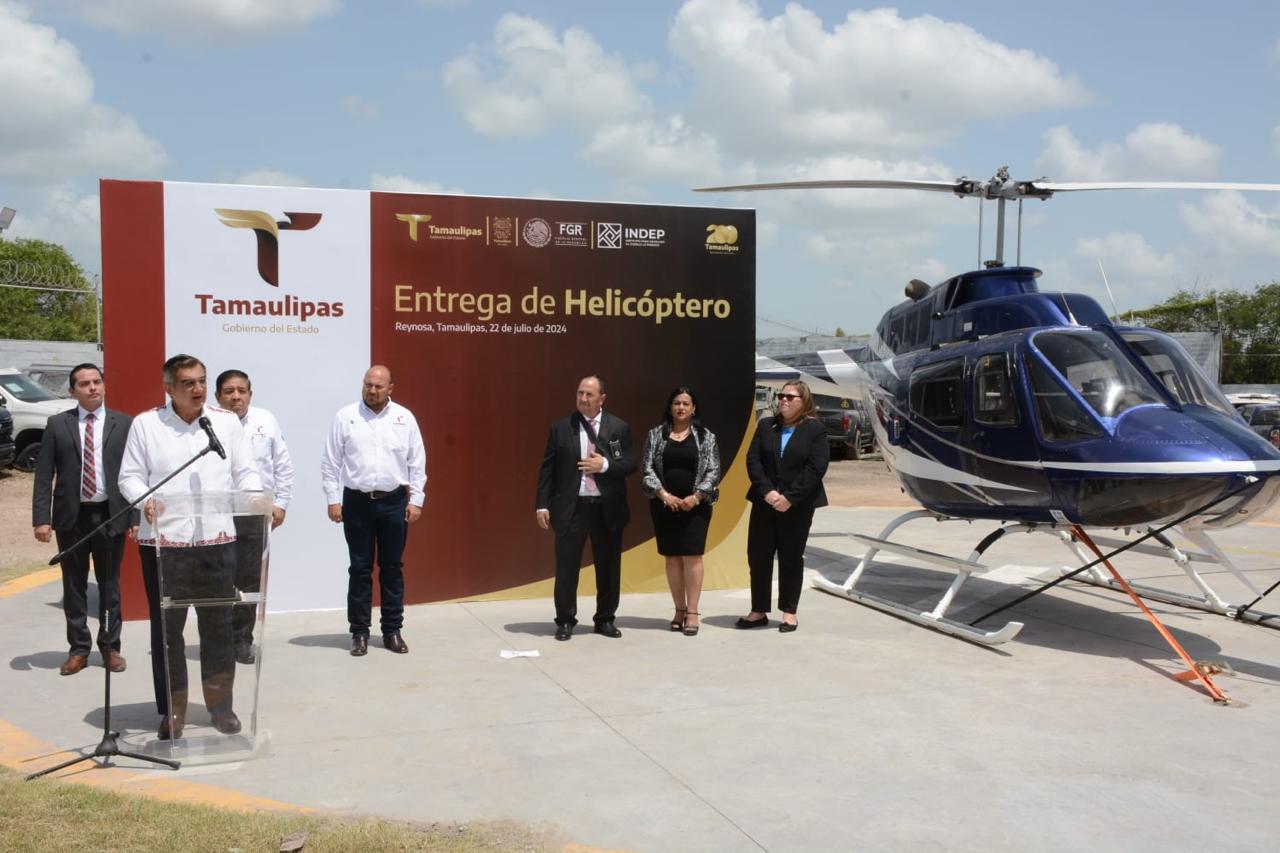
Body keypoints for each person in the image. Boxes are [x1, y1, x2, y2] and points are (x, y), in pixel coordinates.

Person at [119, 354, 262, 739]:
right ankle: (173, 710)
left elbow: (245, 471)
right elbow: (129, 477)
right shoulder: (147, 424)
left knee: (218, 627)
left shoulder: (224, 422)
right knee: (168, 633)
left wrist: (255, 498)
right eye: (188, 383)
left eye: (202, 381)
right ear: (169, 388)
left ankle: (221, 707)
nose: (198, 389)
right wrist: (145, 500)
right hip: (165, 543)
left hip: (217, 540)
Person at [31, 364, 137, 676]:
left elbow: (135, 473)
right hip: (71, 517)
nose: (92, 388)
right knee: (74, 585)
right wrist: (41, 518)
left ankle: (110, 647)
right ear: (72, 391)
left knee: (109, 584)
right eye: (84, 384)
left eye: (96, 382)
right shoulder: (57, 424)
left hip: (110, 514)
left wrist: (133, 515)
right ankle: (78, 649)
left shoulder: (123, 424)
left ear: (103, 385)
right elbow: (43, 475)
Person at [320, 365, 426, 657]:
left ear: (390, 388)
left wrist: (416, 500)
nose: (372, 390)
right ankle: (359, 632)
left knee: (392, 568)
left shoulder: (404, 418)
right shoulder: (346, 417)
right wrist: (333, 499)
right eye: (368, 385)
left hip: (394, 502)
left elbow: (417, 462)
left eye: (379, 386)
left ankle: (392, 630)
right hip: (357, 503)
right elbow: (330, 462)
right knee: (360, 569)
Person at [536, 375, 636, 641]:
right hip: (572, 508)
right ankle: (565, 620)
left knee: (609, 568)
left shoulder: (618, 427)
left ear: (602, 398)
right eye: (580, 393)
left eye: (589, 394)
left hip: (606, 508)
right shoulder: (561, 428)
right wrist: (542, 505)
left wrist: (604, 465)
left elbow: (629, 464)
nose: (583, 398)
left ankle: (605, 619)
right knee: (566, 568)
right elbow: (548, 470)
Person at [215, 369, 294, 666]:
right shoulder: (207, 423)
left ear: (250, 394)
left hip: (253, 513)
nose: (235, 397)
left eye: (241, 391)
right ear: (217, 396)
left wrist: (280, 503)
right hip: (217, 514)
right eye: (229, 391)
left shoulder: (266, 420)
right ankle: (218, 640)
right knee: (218, 579)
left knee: (248, 581)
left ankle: (242, 640)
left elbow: (282, 465)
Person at [737, 381, 829, 633]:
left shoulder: (815, 430)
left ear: (804, 401)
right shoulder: (766, 425)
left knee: (790, 557)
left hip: (797, 506)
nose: (783, 400)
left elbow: (816, 467)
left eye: (790, 396)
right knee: (758, 556)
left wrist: (790, 498)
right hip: (765, 503)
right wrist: (767, 492)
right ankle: (758, 611)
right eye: (781, 395)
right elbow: (753, 461)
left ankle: (789, 612)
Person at [641, 386, 720, 636]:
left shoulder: (706, 437)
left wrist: (695, 498)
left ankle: (693, 612)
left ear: (694, 408)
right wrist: (665, 496)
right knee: (672, 558)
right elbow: (647, 470)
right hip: (664, 506)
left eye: (686, 403)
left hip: (696, 507)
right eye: (677, 403)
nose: (681, 407)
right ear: (670, 407)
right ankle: (679, 610)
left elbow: (714, 471)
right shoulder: (656, 435)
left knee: (692, 556)